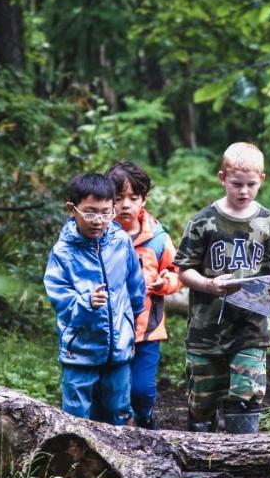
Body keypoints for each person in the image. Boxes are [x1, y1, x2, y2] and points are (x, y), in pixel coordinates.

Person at [174, 143, 270, 434]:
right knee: (203, 401)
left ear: (262, 180)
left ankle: (243, 460)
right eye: (236, 184)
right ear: (222, 178)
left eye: (251, 185)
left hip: (251, 329)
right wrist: (207, 284)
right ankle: (202, 459)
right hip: (206, 330)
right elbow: (183, 270)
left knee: (246, 396)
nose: (244, 191)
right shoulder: (203, 222)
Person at [44, 172, 146, 425]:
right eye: (90, 213)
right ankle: (74, 460)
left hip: (118, 348)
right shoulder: (63, 252)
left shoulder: (121, 241)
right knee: (76, 414)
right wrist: (85, 303)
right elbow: (59, 299)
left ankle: (122, 460)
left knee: (119, 409)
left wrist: (131, 318)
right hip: (80, 351)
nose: (98, 221)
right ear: (72, 209)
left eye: (105, 212)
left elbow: (134, 284)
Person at [109, 160, 182, 430]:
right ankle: (121, 436)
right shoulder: (100, 235)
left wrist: (166, 282)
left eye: (133, 198)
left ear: (144, 199)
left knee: (141, 391)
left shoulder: (158, 239)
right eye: (118, 198)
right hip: (111, 330)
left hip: (147, 331)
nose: (125, 205)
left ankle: (147, 420)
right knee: (116, 393)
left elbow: (176, 272)